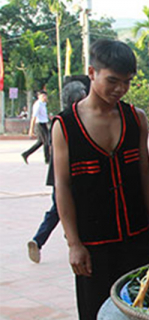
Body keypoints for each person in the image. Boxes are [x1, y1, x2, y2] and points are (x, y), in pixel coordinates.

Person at [52, 39, 149, 320]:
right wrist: (73, 243)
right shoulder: (65, 126)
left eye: (127, 82)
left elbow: (145, 175)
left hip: (135, 237)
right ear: (92, 73)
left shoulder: (136, 119)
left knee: (144, 319)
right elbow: (62, 186)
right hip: (93, 244)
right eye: (112, 81)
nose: (120, 89)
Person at [27, 81, 88, 263]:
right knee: (65, 210)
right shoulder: (72, 123)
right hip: (69, 179)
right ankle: (71, 240)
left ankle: (38, 240)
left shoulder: (60, 121)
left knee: (56, 211)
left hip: (57, 178)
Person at [22, 91, 51, 164]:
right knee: (47, 141)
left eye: (45, 96)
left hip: (44, 123)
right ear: (39, 96)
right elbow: (33, 117)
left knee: (41, 142)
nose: (44, 97)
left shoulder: (43, 104)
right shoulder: (38, 105)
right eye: (42, 96)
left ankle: (26, 154)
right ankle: (47, 159)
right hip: (39, 124)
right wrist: (31, 130)